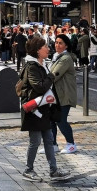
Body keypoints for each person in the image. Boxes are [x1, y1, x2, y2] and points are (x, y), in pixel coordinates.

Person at [18, 36, 71, 182]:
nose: (48, 49)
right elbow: (40, 86)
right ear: (37, 50)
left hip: (44, 109)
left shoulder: (42, 64)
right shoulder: (32, 66)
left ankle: (53, 170)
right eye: (45, 47)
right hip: (34, 110)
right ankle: (28, 169)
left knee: (48, 139)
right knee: (35, 141)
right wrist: (51, 77)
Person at [49, 34, 78, 154]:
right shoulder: (57, 57)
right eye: (56, 42)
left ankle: (71, 144)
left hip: (65, 94)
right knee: (51, 120)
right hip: (56, 94)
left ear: (66, 45)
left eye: (60, 43)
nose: (57, 45)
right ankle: (53, 145)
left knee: (61, 120)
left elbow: (54, 74)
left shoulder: (65, 58)